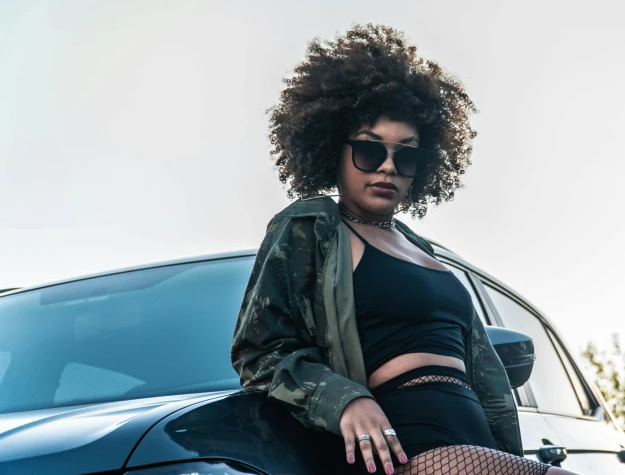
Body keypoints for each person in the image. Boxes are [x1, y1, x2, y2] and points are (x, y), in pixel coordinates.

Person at [231, 24, 579, 475]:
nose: (388, 167)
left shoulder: (420, 247)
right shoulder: (312, 227)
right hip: (407, 446)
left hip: (478, 444)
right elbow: (259, 353)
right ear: (333, 151)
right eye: (370, 152)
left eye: (406, 156)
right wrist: (344, 400)